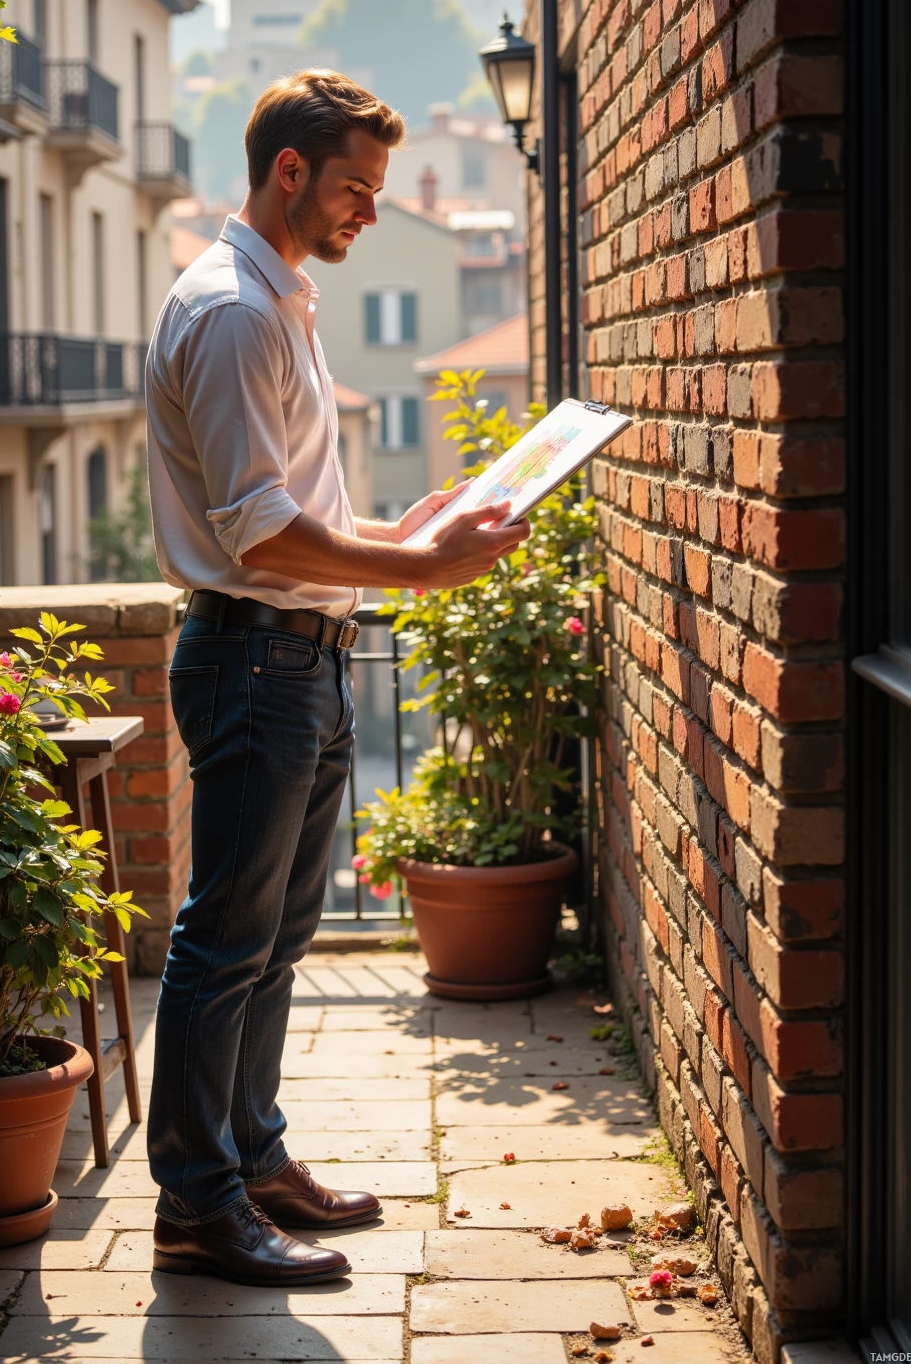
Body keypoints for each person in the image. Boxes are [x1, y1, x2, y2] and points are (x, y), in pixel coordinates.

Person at [144, 70, 530, 1286]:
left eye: (376, 188)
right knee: (223, 942)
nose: (370, 209)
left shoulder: (282, 303)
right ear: (289, 170)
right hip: (255, 653)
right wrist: (418, 566)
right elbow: (258, 532)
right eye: (356, 187)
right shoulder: (234, 311)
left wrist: (397, 526)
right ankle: (197, 1204)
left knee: (276, 937)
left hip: (296, 653)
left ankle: (250, 1159)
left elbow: (299, 505)